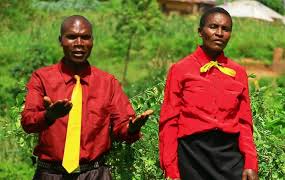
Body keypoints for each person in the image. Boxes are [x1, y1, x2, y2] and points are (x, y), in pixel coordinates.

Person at [21, 15, 153, 180]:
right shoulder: (42, 78)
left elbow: (122, 128)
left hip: (95, 173)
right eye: (71, 37)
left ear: (92, 41)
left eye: (85, 37)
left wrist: (132, 128)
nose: (79, 43)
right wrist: (49, 116)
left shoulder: (107, 82)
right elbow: (27, 122)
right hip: (51, 174)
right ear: (60, 40)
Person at [159, 7, 258, 180]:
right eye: (213, 27)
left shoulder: (238, 72)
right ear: (200, 32)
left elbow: (244, 123)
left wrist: (250, 163)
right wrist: (172, 171)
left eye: (225, 29)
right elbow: (169, 122)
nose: (219, 33)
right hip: (191, 157)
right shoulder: (180, 69)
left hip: (229, 158)